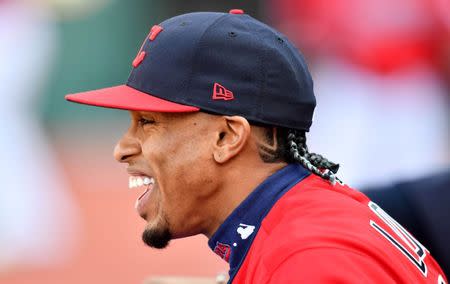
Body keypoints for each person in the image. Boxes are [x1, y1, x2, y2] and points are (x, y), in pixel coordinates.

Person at [66, 10, 447, 283]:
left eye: (147, 123)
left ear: (227, 137)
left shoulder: (307, 260)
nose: (122, 148)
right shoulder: (304, 217)